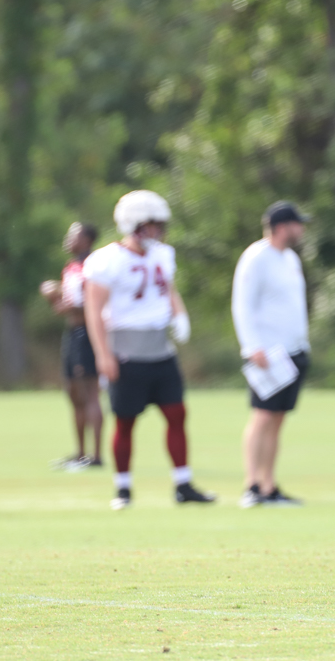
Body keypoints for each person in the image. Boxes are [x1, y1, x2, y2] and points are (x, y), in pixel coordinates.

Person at [82, 190, 215, 510]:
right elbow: (93, 309)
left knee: (177, 414)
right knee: (126, 421)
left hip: (160, 349)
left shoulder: (162, 254)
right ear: (133, 223)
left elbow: (168, 289)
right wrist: (103, 355)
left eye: (159, 224)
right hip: (126, 349)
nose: (157, 230)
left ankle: (183, 483)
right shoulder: (106, 259)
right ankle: (123, 488)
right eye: (151, 224)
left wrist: (179, 313)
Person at [231, 201, 311, 508]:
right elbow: (243, 304)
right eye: (296, 224)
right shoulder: (256, 257)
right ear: (281, 227)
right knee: (262, 417)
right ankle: (251, 485)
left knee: (277, 419)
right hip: (266, 352)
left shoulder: (289, 258)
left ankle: (269, 484)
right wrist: (252, 346)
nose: (301, 229)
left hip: (293, 351)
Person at [40, 222, 104, 470]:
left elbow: (93, 303)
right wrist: (53, 295)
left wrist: (69, 306)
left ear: (86, 240)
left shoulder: (93, 266)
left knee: (90, 392)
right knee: (74, 393)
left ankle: (96, 456)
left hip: (88, 333)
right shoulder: (72, 266)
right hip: (72, 332)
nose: (68, 240)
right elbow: (67, 303)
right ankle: (80, 453)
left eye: (73, 236)